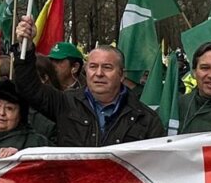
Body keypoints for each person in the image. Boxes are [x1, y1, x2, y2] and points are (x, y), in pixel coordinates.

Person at [14, 15, 164, 149]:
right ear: (86, 70)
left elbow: (156, 168)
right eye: (93, 67)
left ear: (121, 75)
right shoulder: (65, 103)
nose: (99, 73)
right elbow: (28, 87)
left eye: (107, 67)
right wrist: (25, 47)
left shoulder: (145, 119)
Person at [0, 79, 49, 157]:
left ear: (21, 114)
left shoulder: (37, 143)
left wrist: (21, 155)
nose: (1, 113)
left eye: (9, 108)